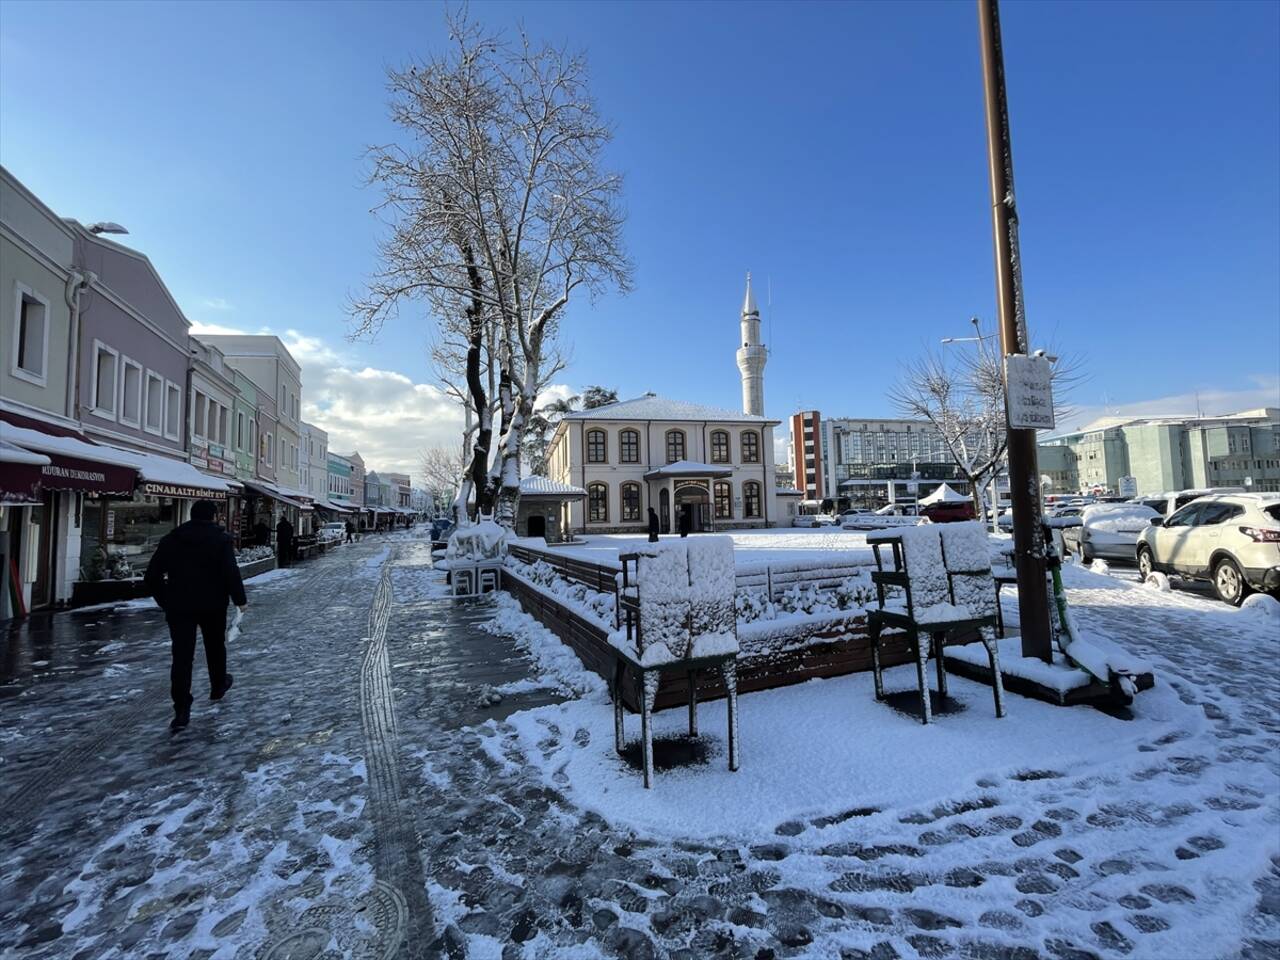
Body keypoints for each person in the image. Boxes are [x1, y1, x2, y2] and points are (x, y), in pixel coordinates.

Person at [144, 499, 246, 731]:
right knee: (215, 646)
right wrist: (240, 600)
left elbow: (152, 576)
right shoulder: (221, 540)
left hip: (180, 606)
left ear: (191, 515)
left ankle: (181, 708)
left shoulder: (172, 539)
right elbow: (231, 571)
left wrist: (167, 601)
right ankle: (218, 685)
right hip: (213, 604)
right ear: (213, 516)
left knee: (182, 657)